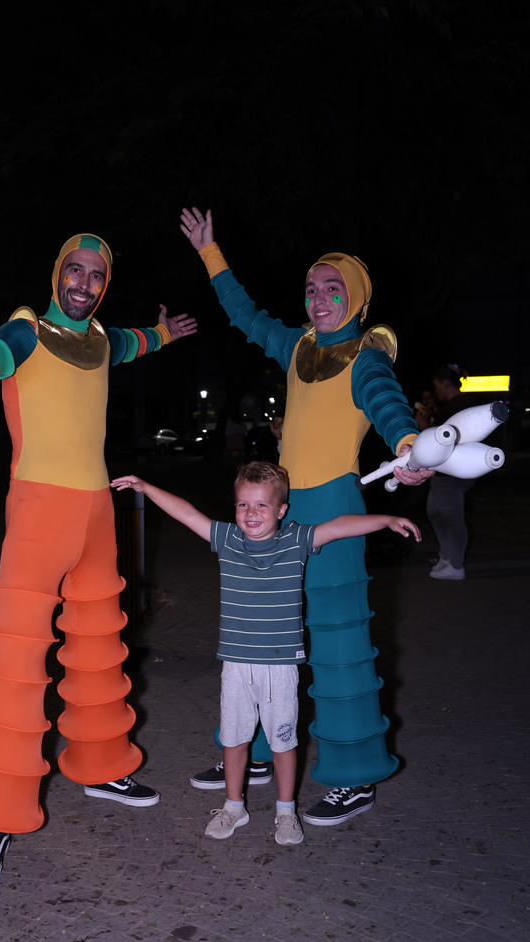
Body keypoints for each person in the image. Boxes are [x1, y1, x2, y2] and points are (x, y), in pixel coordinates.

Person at [0, 233, 197, 885]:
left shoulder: (101, 339)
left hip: (97, 513)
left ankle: (103, 768)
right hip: (38, 514)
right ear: (57, 273)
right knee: (16, 668)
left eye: (95, 275)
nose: (84, 283)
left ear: (104, 284)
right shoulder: (28, 330)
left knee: (100, 651)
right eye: (75, 270)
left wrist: (165, 333)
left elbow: (135, 342)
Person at [179, 207, 431, 827]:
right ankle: (255, 756)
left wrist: (408, 448)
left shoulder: (367, 357)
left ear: (356, 300)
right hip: (281, 509)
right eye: (312, 289)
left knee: (340, 645)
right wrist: (211, 252)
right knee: (263, 640)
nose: (319, 299)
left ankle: (355, 776)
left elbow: (389, 407)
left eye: (332, 289)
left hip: (335, 508)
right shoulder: (296, 345)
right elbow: (245, 316)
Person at [111, 463, 420, 844]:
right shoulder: (227, 539)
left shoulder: (296, 540)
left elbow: (340, 526)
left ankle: (285, 811)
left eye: (261, 505)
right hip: (237, 665)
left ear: (281, 510)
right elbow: (187, 513)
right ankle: (233, 806)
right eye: (243, 505)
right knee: (234, 739)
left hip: (280, 667)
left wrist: (386, 519)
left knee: (283, 743)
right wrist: (145, 486)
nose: (251, 513)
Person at [425, 364, 473, 580]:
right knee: (434, 512)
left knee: (452, 517)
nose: (436, 391)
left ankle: (456, 566)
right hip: (454, 469)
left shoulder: (454, 407)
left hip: (451, 471)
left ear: (445, 383)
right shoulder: (467, 403)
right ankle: (448, 556)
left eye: (436, 386)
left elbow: (433, 439)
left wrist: (422, 422)